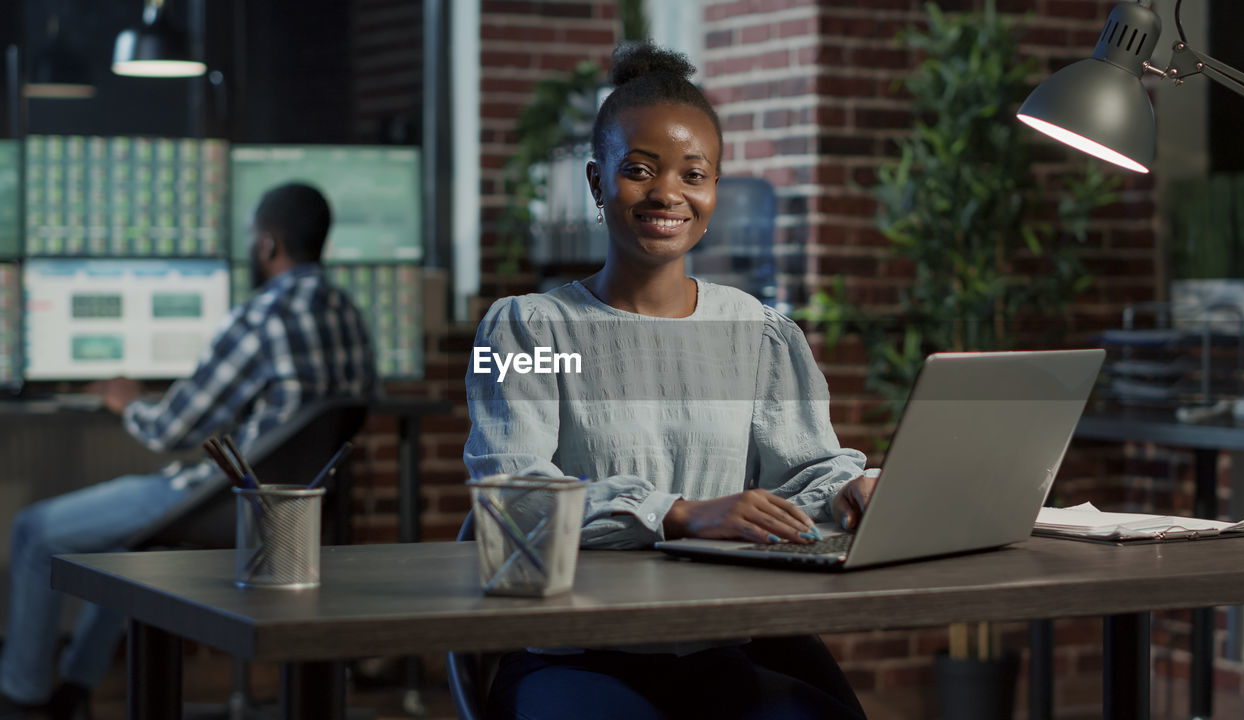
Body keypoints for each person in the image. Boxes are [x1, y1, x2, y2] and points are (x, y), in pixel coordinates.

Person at [464, 43, 877, 720]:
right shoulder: (523, 330)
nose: (667, 194)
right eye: (639, 170)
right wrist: (679, 513)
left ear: (714, 192)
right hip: (571, 652)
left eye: (694, 173)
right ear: (597, 183)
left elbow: (810, 473)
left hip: (718, 647)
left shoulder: (761, 331)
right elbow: (516, 503)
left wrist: (853, 490)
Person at [0, 183, 378, 720]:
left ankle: (22, 699)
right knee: (126, 547)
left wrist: (127, 400)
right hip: (305, 507)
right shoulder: (351, 316)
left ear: (268, 245)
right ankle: (76, 687)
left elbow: (169, 429)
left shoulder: (263, 316)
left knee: (34, 531)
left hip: (232, 504)